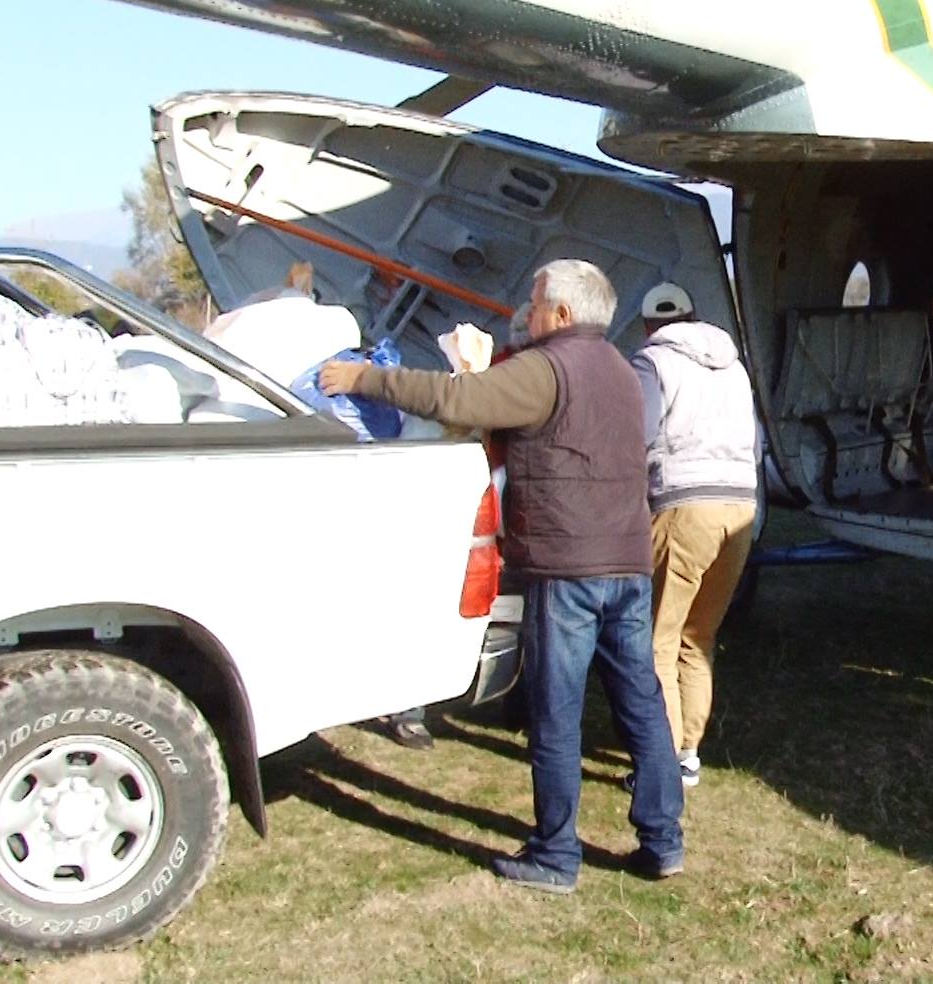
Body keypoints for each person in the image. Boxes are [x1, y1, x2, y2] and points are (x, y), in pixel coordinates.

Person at [320, 259, 683, 894]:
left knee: (556, 711)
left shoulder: (545, 370)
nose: (529, 309)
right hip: (627, 562)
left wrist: (362, 377)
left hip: (565, 566)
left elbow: (453, 399)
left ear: (564, 314)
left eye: (537, 301)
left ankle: (556, 855)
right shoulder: (624, 371)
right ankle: (663, 840)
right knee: (641, 703)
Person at [630, 281, 759, 789]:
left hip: (683, 506)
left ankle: (661, 761)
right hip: (740, 504)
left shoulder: (652, 363)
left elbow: (638, 437)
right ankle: (688, 751)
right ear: (693, 315)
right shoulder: (734, 366)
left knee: (658, 637)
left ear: (648, 326)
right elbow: (755, 441)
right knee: (699, 637)